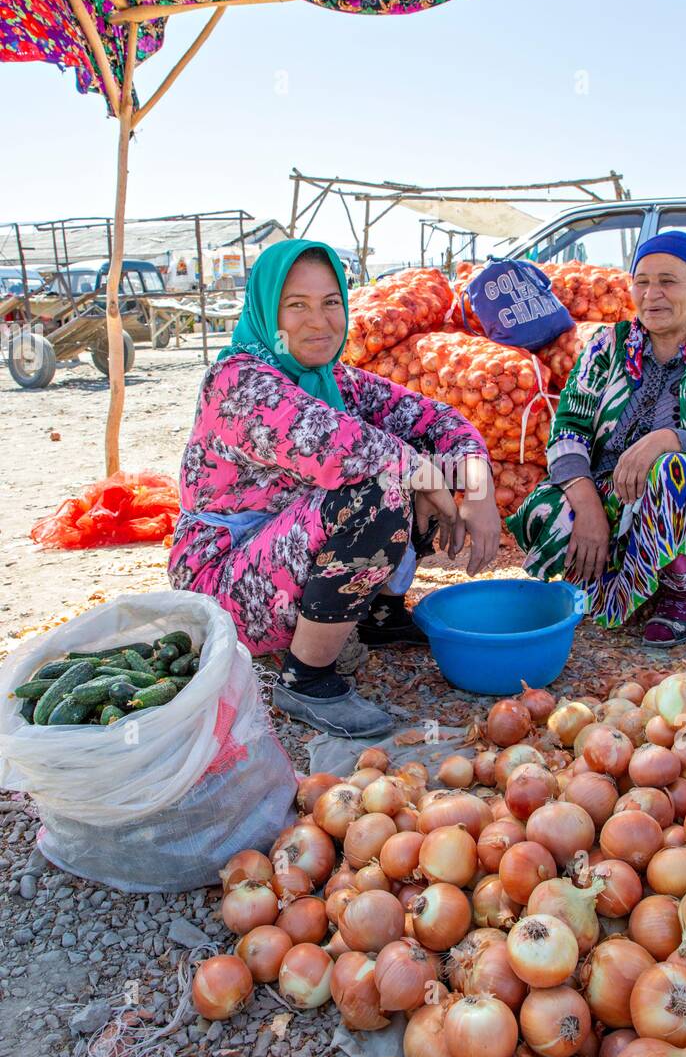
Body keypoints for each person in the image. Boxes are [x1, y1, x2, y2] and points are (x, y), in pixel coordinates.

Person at [169, 239, 500, 736]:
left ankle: (379, 614)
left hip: (282, 554)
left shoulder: (335, 379)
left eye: (331, 303)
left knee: (405, 465)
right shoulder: (238, 383)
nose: (319, 321)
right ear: (266, 310)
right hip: (223, 584)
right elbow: (337, 448)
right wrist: (431, 479)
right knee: (382, 486)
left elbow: (436, 419)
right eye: (296, 305)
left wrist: (478, 488)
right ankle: (306, 678)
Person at [507, 231, 686, 646]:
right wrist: (588, 506)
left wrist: (669, 438)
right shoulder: (607, 347)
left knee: (672, 470)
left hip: (680, 497)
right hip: (607, 492)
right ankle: (615, 580)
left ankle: (682, 590)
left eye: (668, 280)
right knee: (546, 507)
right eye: (642, 281)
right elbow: (567, 430)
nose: (652, 294)